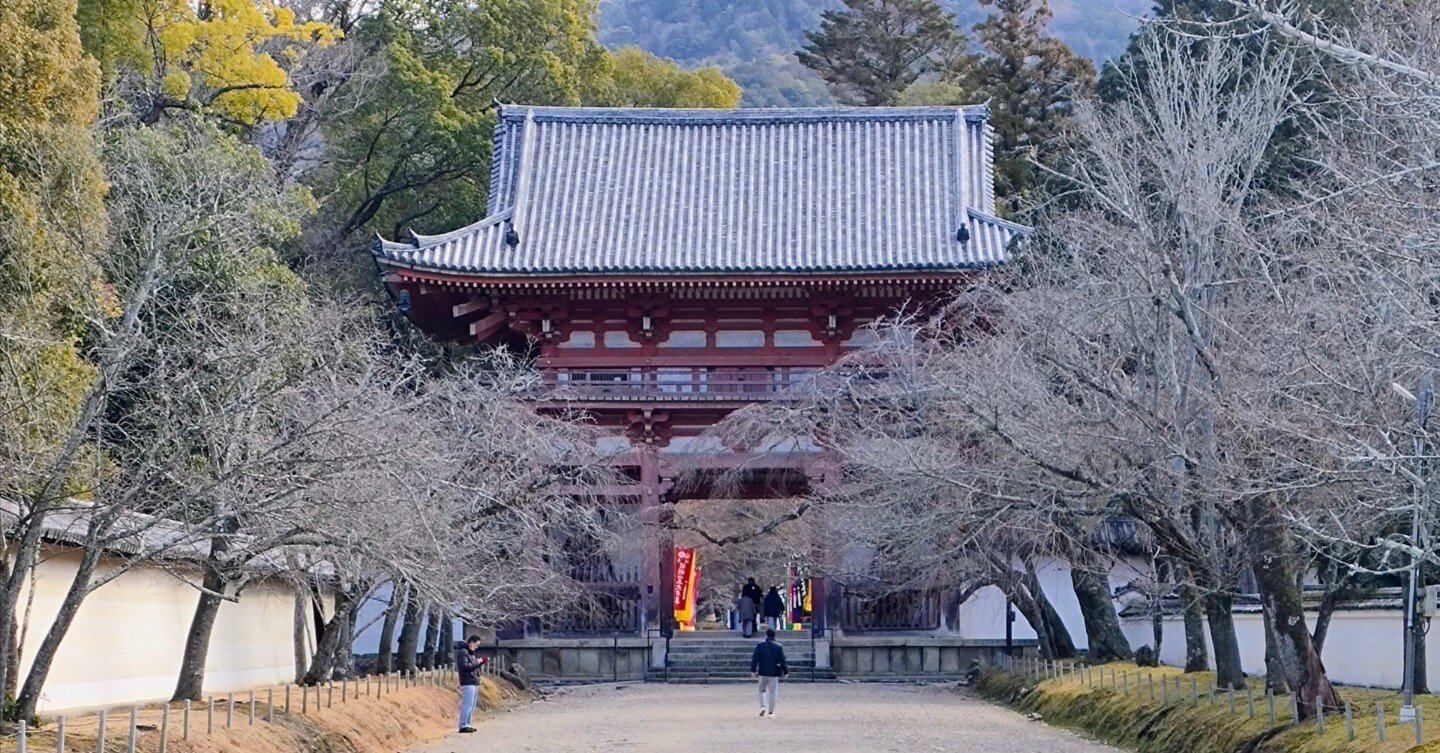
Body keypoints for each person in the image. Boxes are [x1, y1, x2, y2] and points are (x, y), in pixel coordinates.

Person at [749, 628, 788, 717]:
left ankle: (762, 706)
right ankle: (771, 712)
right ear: (775, 635)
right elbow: (782, 660)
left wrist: (753, 670)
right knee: (773, 693)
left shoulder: (760, 645)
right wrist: (785, 671)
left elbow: (755, 659)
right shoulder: (778, 646)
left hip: (762, 671)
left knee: (761, 690)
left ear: (766, 635)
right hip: (773, 672)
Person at [454, 635, 488, 733]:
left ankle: (467, 724)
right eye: (476, 645)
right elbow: (465, 667)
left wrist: (479, 662)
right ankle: (463, 725)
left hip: (473, 681)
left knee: (472, 705)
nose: (476, 647)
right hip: (467, 682)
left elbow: (472, 665)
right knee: (467, 704)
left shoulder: (470, 653)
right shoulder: (463, 653)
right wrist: (479, 662)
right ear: (471, 642)